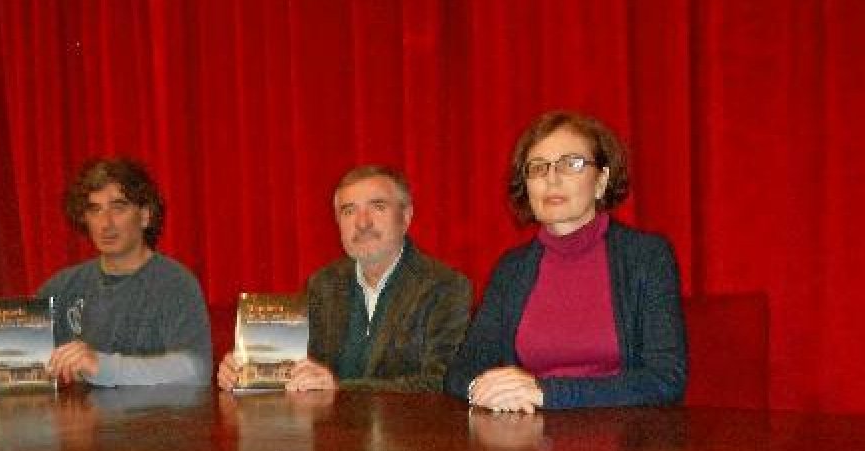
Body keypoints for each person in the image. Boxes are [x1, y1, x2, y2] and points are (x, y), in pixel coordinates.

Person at [445, 111, 686, 411]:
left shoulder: (646, 257)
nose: (552, 179)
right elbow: (461, 371)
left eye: (571, 164)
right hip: (525, 441)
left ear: (601, 180)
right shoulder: (512, 268)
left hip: (625, 442)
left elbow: (665, 379)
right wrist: (481, 389)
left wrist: (547, 393)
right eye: (538, 168)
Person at [0, 157, 212, 394]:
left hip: (151, 433)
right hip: (77, 434)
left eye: (118, 208)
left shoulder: (176, 283)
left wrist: (100, 366)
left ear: (145, 215)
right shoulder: (64, 285)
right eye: (94, 210)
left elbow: (196, 370)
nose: (106, 223)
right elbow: (16, 347)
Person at [217, 165, 472, 392]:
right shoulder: (323, 285)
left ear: (405, 217)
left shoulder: (445, 287)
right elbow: (297, 366)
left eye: (378, 207)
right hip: (332, 438)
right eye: (349, 211)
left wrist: (339, 388)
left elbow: (440, 383)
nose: (362, 223)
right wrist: (247, 369)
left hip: (409, 440)